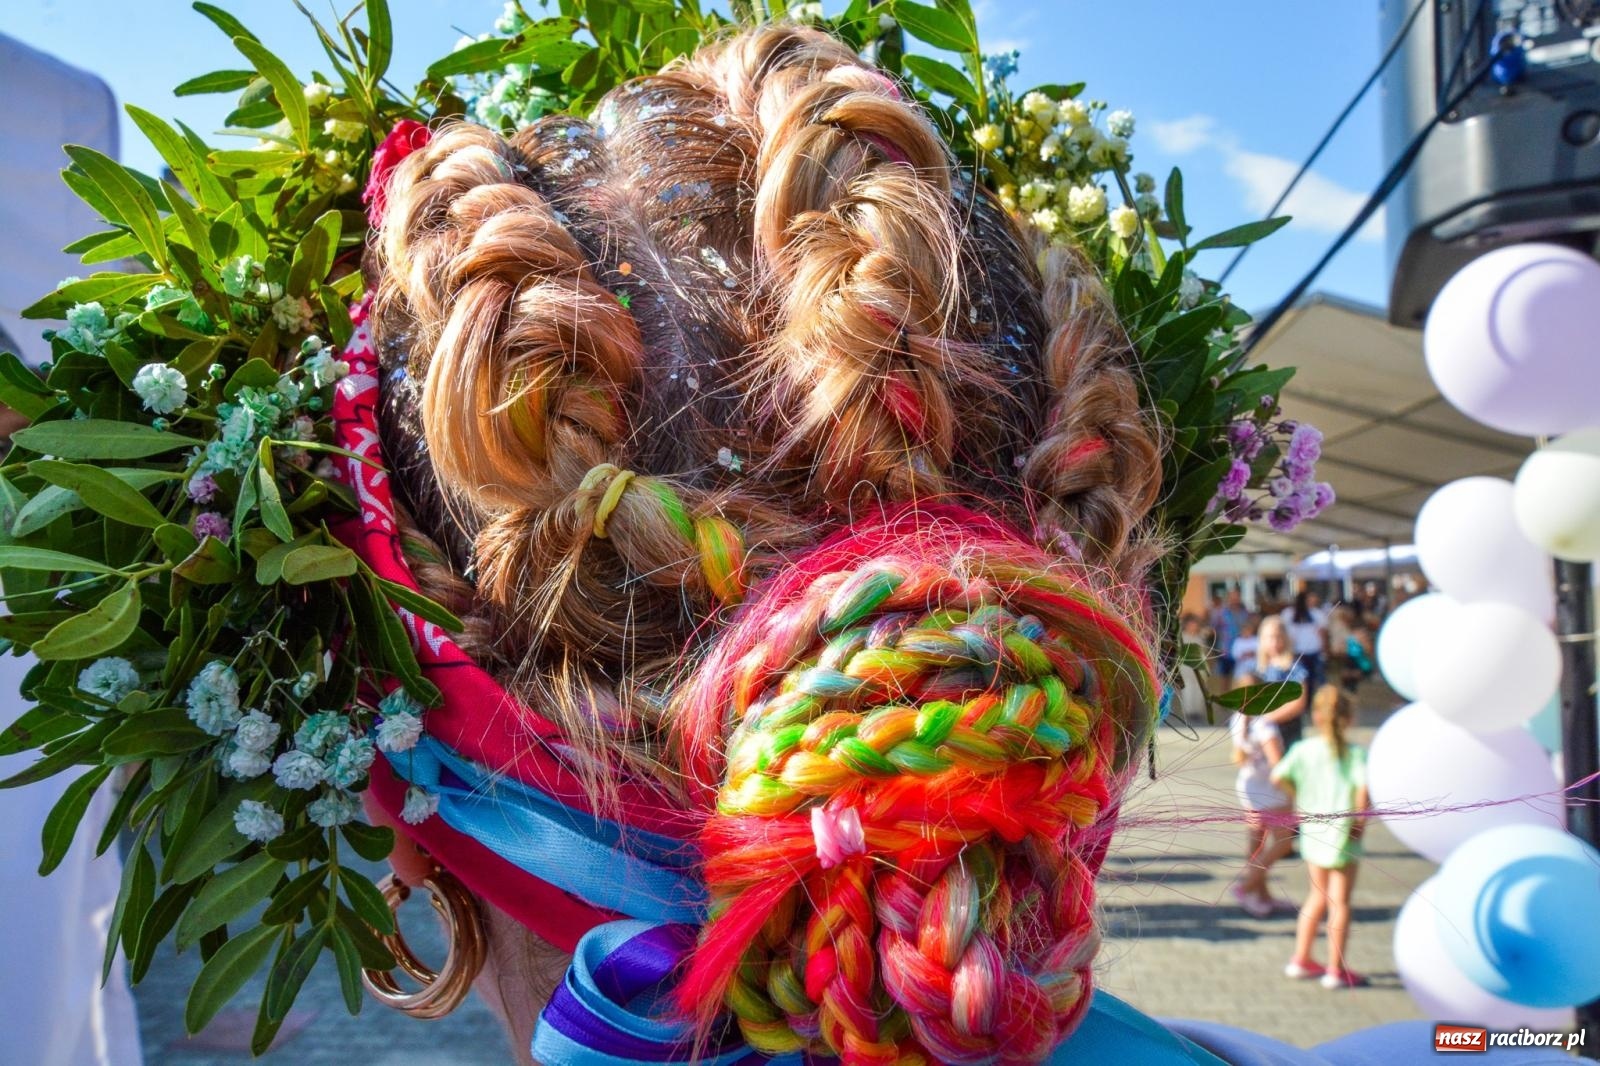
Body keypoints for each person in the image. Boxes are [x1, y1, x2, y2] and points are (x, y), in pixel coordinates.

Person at [1272, 687, 1370, 990]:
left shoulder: (1303, 749)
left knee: (1317, 896)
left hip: (1312, 831)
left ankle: (1301, 958)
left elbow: (1278, 776)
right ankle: (1335, 969)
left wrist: (1298, 796)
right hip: (1343, 833)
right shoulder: (1355, 755)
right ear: (1349, 719)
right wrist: (1359, 823)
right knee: (1339, 902)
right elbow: (1363, 794)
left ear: (1315, 716)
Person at [1228, 684, 1295, 919]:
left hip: (1249, 786)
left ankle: (1261, 894)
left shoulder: (1237, 719)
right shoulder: (1264, 724)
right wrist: (1293, 792)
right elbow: (1277, 765)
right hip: (1271, 789)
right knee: (1284, 843)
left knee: (1256, 845)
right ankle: (1246, 888)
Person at [1254, 616, 1309, 747]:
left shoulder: (1292, 666)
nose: (1274, 642)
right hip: (1264, 732)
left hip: (1288, 727)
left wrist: (1270, 718)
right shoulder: (1259, 668)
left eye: (1278, 637)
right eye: (1270, 637)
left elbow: (1300, 700)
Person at [1280, 590, 1327, 692]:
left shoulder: (1317, 613)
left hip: (1314, 651)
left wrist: (1323, 650)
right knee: (1299, 679)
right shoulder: (1288, 613)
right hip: (1296, 651)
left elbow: (1322, 634)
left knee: (1316, 679)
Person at [1210, 589, 1248, 680]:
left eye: (1236, 597)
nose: (1234, 599)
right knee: (1225, 679)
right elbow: (1213, 629)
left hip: (1241, 651)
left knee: (1240, 678)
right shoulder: (1220, 613)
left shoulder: (1245, 613)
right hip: (1225, 651)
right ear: (1228, 598)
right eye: (1232, 597)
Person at [1228, 615, 1261, 687]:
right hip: (1241, 671)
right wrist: (1245, 654)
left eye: (1249, 629)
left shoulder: (1256, 640)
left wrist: (1253, 653)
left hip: (1255, 670)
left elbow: (1261, 652)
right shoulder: (1238, 641)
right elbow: (1234, 655)